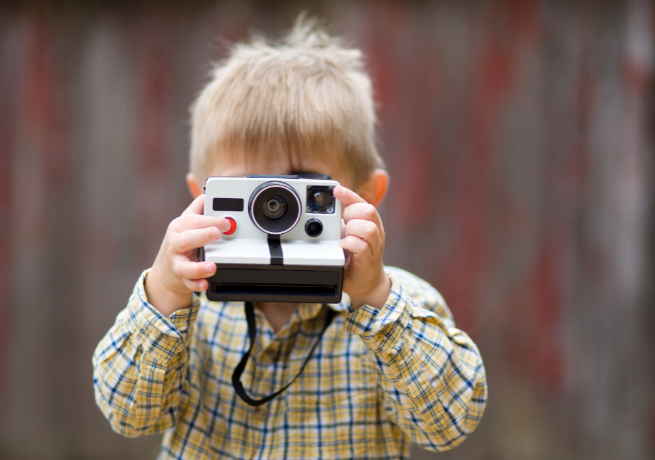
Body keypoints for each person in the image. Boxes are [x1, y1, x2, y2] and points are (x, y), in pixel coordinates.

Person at [93, 16, 487, 459]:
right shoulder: (183, 312)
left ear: (367, 198)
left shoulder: (401, 304)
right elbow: (127, 414)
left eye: (301, 192)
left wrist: (375, 297)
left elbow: (448, 424)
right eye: (250, 194)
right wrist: (164, 292)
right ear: (201, 198)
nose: (274, 214)